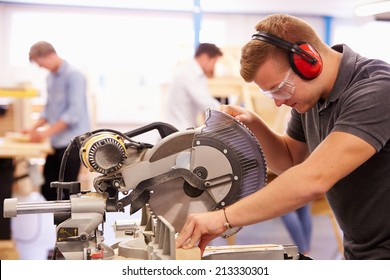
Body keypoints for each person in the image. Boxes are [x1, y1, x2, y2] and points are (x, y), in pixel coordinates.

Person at [176, 14, 390, 260]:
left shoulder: (376, 89)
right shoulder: (310, 98)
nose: (279, 103)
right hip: (361, 248)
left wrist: (222, 219)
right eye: (270, 94)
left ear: (308, 61)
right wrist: (254, 124)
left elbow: (313, 177)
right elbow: (291, 161)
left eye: (279, 89)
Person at [25, 41, 91, 201]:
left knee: (68, 193)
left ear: (49, 55)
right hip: (56, 141)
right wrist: (33, 128)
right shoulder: (51, 78)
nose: (40, 67)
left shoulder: (74, 75)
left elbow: (73, 113)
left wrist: (45, 132)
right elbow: (49, 110)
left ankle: (68, 225)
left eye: (40, 63)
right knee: (47, 189)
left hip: (73, 143)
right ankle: (58, 224)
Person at [163, 43, 223, 130]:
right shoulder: (188, 74)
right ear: (204, 57)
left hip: (183, 128)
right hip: (177, 130)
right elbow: (206, 103)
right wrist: (227, 111)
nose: (214, 68)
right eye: (214, 62)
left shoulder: (197, 75)